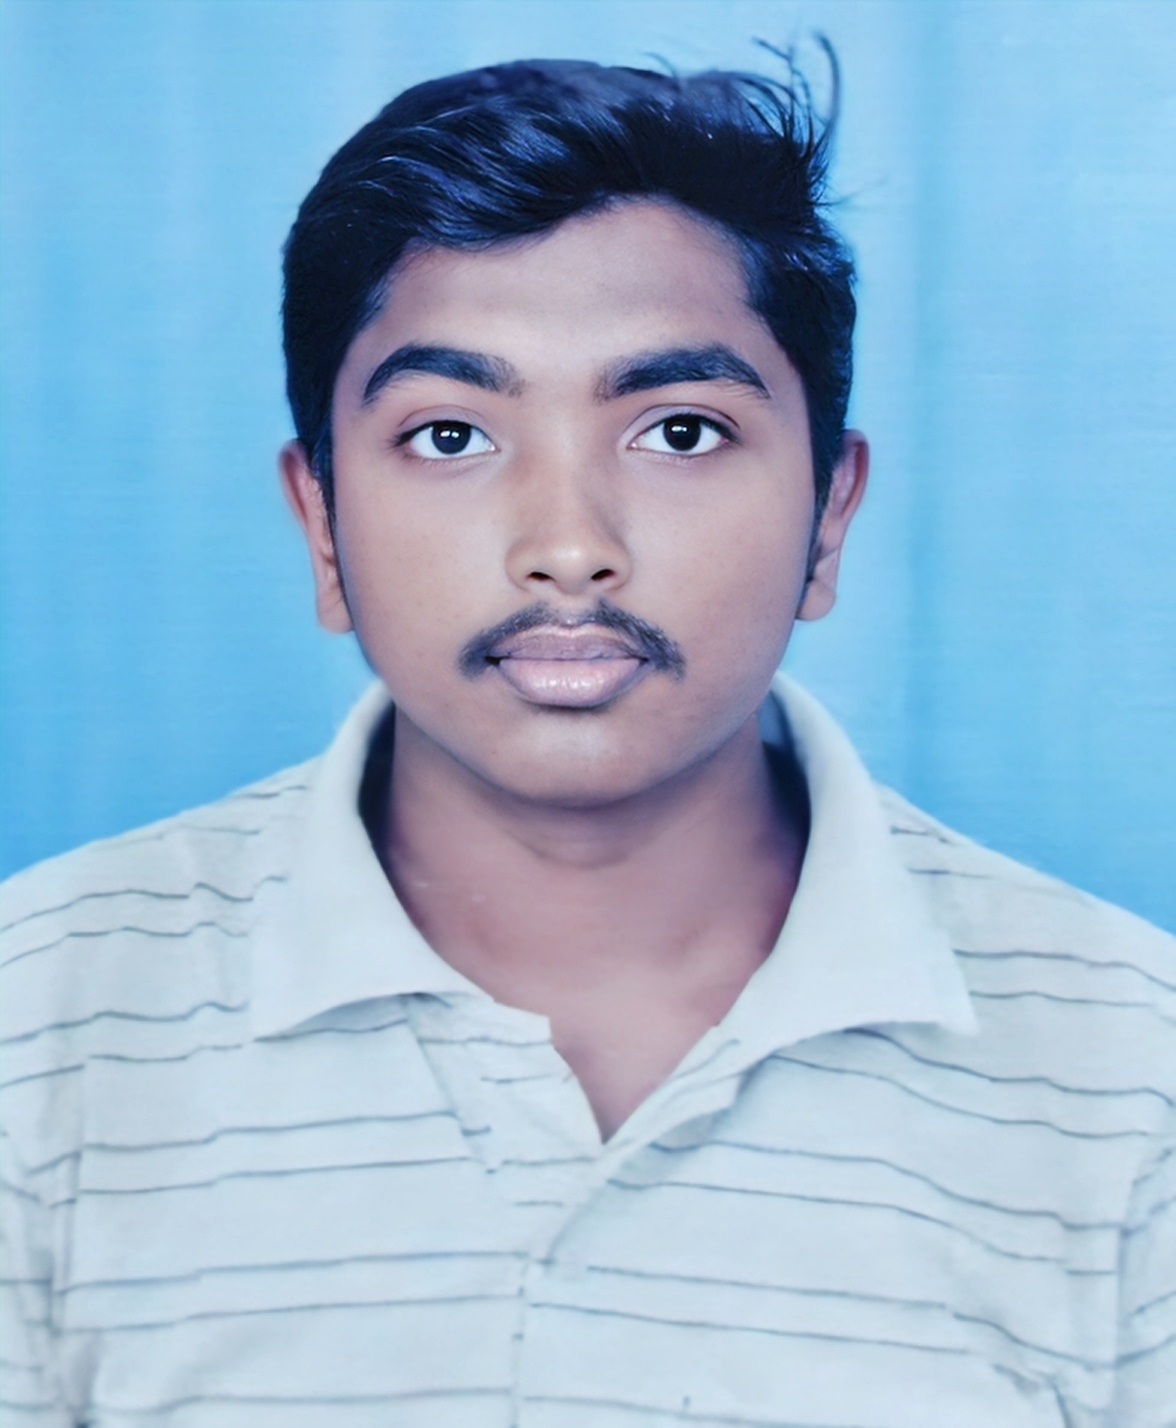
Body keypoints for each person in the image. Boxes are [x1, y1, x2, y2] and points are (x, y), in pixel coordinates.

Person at [1, 54, 1172, 1428]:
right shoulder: (40, 1023)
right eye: (451, 436)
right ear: (320, 524)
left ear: (829, 517)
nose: (568, 548)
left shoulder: (1131, 1080)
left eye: (679, 431)